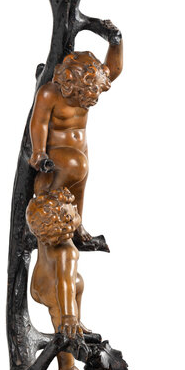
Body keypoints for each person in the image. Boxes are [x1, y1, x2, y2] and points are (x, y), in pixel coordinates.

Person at [29, 22, 123, 243]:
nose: (85, 103)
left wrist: (116, 43)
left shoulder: (88, 89)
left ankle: (77, 225)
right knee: (72, 170)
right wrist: (39, 153)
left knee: (79, 187)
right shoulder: (49, 93)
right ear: (70, 84)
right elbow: (39, 123)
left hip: (80, 147)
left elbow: (113, 70)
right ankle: (50, 216)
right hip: (57, 150)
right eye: (80, 97)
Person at [26, 187, 88, 370]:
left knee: (79, 281)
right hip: (54, 292)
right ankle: (66, 367)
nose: (76, 210)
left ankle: (76, 320)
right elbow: (64, 285)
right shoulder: (66, 252)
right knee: (63, 328)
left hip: (38, 284)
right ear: (64, 224)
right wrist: (68, 316)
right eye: (72, 214)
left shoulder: (45, 235)